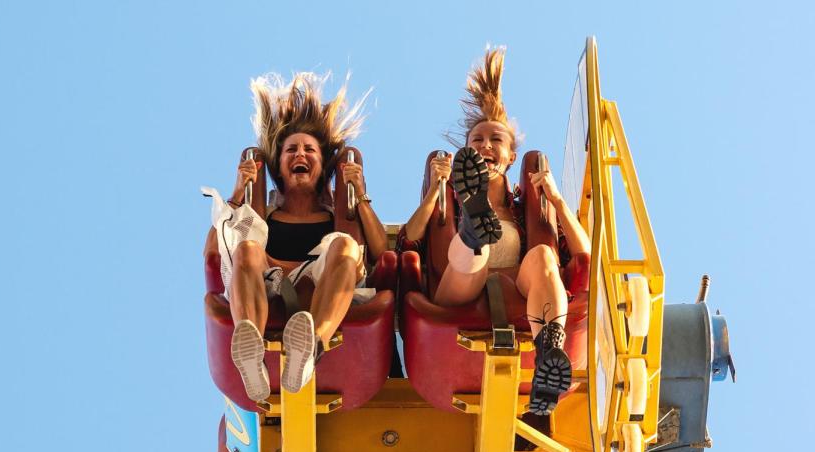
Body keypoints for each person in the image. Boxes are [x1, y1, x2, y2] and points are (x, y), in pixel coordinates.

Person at [397, 48, 590, 416]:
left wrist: (557, 199)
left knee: (544, 256)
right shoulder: (446, 202)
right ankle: (474, 228)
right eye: (477, 141)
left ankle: (549, 351)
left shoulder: (527, 209)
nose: (485, 146)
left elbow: (584, 257)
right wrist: (437, 191)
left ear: (511, 157)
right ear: (466, 155)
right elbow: (409, 241)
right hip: (460, 290)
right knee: (477, 250)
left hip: (519, 287)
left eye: (495, 141)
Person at [203, 72, 387, 401]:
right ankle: (251, 351)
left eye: (309, 150)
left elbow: (380, 250)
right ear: (279, 165)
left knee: (344, 245)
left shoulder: (338, 216)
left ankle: (311, 347)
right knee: (246, 247)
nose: (300, 155)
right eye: (291, 150)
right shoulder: (263, 216)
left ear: (321, 162)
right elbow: (214, 253)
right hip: (268, 283)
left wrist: (360, 195)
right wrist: (236, 193)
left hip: (321, 280)